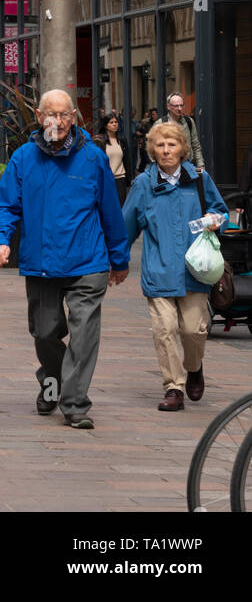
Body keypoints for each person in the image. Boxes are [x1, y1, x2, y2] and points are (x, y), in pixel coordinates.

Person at [0, 89, 130, 429]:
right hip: (42, 262)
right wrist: (0, 241)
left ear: (74, 118)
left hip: (88, 261)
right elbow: (5, 205)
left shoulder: (93, 158)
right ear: (39, 117)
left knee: (83, 335)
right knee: (45, 333)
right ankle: (52, 384)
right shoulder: (23, 158)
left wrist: (119, 258)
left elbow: (110, 210)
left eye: (65, 114)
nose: (58, 121)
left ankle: (75, 402)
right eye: (51, 114)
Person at [121, 120, 227, 411]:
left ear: (183, 149)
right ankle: (173, 387)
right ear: (152, 150)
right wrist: (116, 261)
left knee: (195, 331)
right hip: (159, 270)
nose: (166, 150)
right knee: (164, 330)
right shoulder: (144, 184)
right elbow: (126, 226)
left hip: (195, 271)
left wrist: (217, 220)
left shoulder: (199, 180)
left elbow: (221, 211)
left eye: (172, 144)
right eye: (160, 145)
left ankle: (194, 367)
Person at [93, 111, 133, 206]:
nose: (115, 124)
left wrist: (129, 178)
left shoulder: (122, 140)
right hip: (106, 179)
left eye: (116, 122)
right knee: (107, 207)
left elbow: (127, 160)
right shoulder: (100, 141)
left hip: (120, 179)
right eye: (111, 122)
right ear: (106, 125)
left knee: (121, 207)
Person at [165, 93, 205, 173]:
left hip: (188, 166)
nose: (179, 108)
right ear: (168, 106)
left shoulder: (189, 121)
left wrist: (201, 165)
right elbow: (153, 148)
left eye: (181, 105)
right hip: (169, 168)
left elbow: (195, 145)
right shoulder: (161, 123)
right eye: (176, 106)